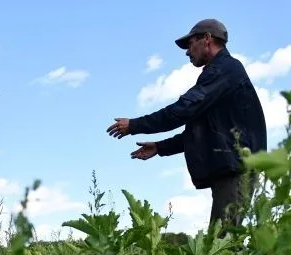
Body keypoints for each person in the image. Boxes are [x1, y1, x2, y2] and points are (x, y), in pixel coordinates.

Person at [106, 19, 267, 236]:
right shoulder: (220, 74)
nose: (187, 52)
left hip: (237, 169)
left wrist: (135, 125)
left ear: (207, 39)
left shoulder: (225, 70)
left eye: (190, 44)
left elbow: (183, 109)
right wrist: (160, 147)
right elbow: (202, 131)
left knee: (222, 246)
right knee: (224, 241)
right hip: (232, 169)